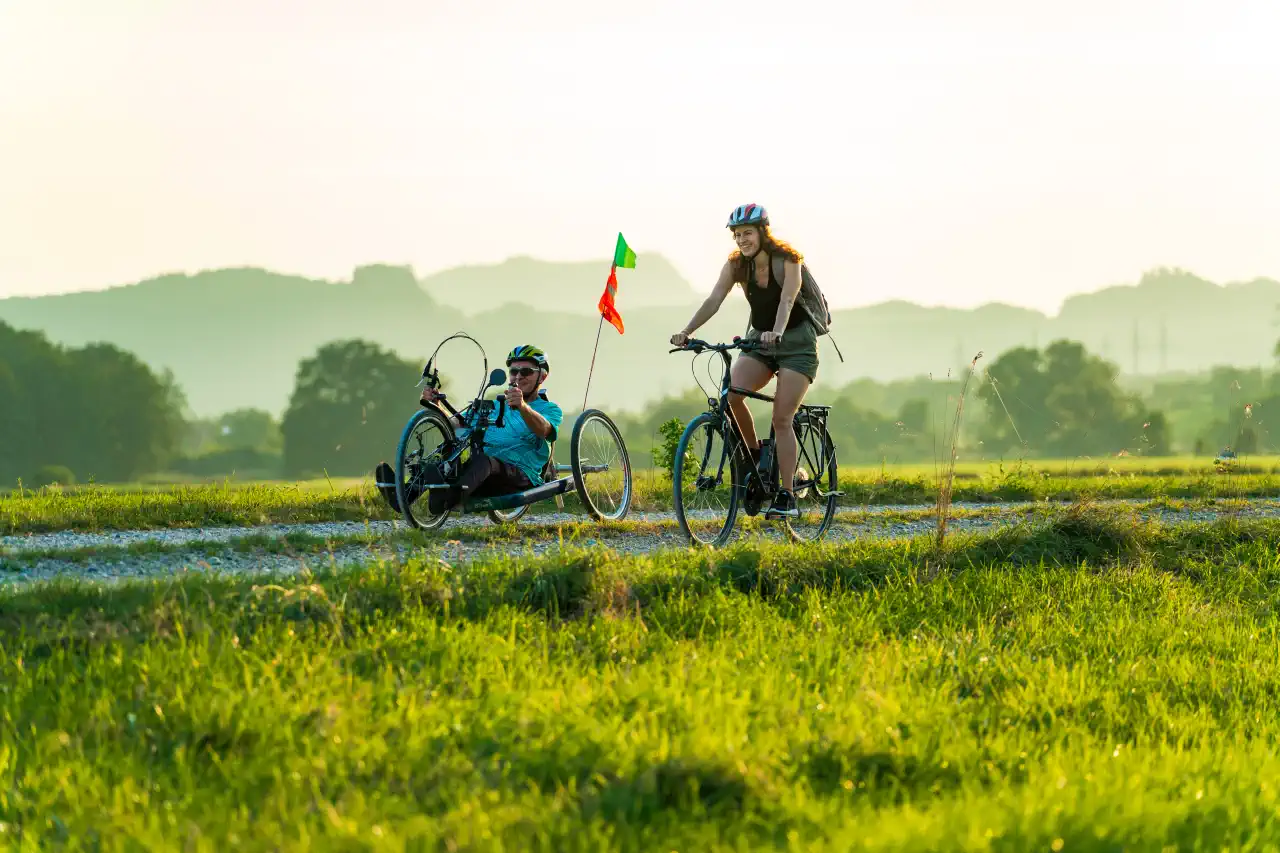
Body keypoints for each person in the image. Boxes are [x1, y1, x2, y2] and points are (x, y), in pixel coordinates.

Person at [669, 203, 818, 519]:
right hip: (759, 342)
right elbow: (713, 300)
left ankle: (788, 495)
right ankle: (754, 458)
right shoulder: (736, 266)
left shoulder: (788, 260)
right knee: (732, 393)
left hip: (796, 345)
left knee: (781, 418)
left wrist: (776, 331)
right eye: (737, 235)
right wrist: (686, 331)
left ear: (763, 232)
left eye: (747, 233)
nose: (741, 240)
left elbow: (788, 298)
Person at [374, 345, 563, 514]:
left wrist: (522, 406)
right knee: (444, 456)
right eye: (514, 371)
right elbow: (458, 426)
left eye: (527, 371)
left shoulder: (549, 409)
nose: (519, 376)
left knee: (485, 461)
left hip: (520, 477)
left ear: (542, 376)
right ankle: (403, 496)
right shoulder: (497, 405)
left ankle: (445, 498)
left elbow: (545, 430)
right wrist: (436, 406)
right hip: (479, 477)